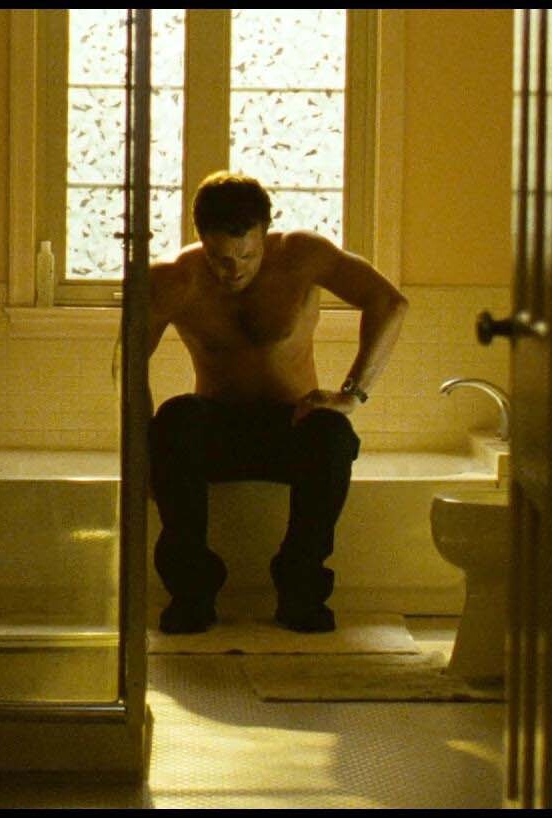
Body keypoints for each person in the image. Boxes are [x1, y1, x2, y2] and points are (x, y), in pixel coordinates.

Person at [144, 171, 408, 634]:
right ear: (200, 238)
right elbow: (129, 365)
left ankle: (300, 589)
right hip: (218, 431)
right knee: (173, 418)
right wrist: (141, 455)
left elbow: (389, 303)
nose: (234, 270)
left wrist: (352, 394)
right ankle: (192, 593)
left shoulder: (302, 256)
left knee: (331, 431)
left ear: (266, 233)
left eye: (247, 255)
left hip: (292, 425)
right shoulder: (175, 279)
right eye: (220, 259)